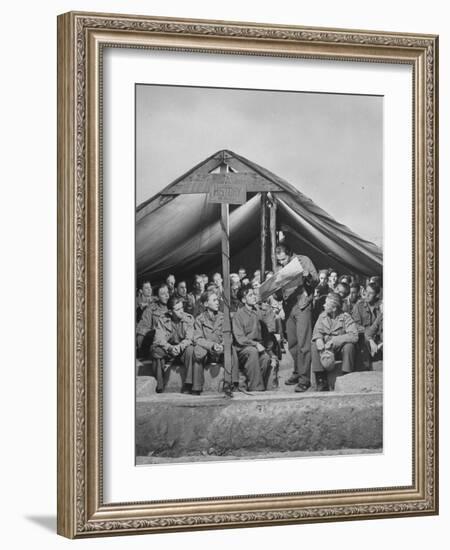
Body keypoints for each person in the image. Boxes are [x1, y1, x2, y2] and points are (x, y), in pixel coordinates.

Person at [274, 243, 318, 393]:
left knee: (304, 344)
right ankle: (298, 371)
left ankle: (304, 379)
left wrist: (308, 276)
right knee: (292, 343)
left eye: (284, 258)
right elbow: (278, 296)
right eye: (279, 260)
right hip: (288, 308)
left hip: (302, 306)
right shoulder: (280, 268)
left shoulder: (303, 260)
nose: (282, 262)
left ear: (290, 253)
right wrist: (273, 290)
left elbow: (316, 280)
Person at [189, 291, 239, 395]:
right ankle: (197, 387)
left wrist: (222, 345)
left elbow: (229, 335)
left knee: (231, 349)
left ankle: (231, 383)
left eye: (217, 300)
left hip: (221, 351)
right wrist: (212, 346)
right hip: (208, 352)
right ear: (206, 304)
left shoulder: (223, 317)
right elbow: (197, 339)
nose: (217, 303)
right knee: (197, 351)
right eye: (214, 300)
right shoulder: (199, 319)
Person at [232, 285, 277, 391]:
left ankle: (252, 384)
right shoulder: (238, 315)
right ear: (243, 300)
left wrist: (271, 353)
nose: (254, 297)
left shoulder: (258, 312)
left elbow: (267, 332)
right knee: (252, 351)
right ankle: (257, 388)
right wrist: (255, 344)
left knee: (266, 358)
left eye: (254, 294)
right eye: (250, 295)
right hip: (243, 348)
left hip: (258, 347)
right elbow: (240, 338)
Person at [311, 292, 359, 391]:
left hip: (339, 350)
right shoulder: (322, 316)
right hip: (325, 350)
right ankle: (321, 380)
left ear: (334, 308)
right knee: (313, 345)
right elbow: (316, 331)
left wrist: (334, 341)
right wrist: (319, 339)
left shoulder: (346, 317)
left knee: (349, 346)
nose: (324, 305)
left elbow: (354, 336)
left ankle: (346, 376)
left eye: (327, 304)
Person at [150, 296, 194, 393]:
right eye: (178, 309)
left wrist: (179, 347)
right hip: (168, 351)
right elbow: (158, 339)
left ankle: (189, 384)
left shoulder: (189, 318)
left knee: (191, 350)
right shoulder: (162, 319)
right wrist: (170, 348)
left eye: (182, 308)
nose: (181, 311)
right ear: (170, 312)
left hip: (182, 350)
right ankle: (160, 385)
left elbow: (189, 338)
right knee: (155, 350)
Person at [352, 283, 382, 370]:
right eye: (366, 292)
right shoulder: (359, 306)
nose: (367, 295)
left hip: (379, 337)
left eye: (371, 293)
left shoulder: (381, 306)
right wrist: (370, 338)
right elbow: (356, 325)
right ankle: (365, 370)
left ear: (377, 295)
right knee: (363, 342)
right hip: (364, 338)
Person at [136, 284, 170, 358]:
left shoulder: (174, 305)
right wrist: (154, 333)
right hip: (157, 343)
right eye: (163, 294)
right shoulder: (151, 309)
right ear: (157, 297)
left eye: (167, 292)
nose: (167, 296)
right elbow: (142, 328)